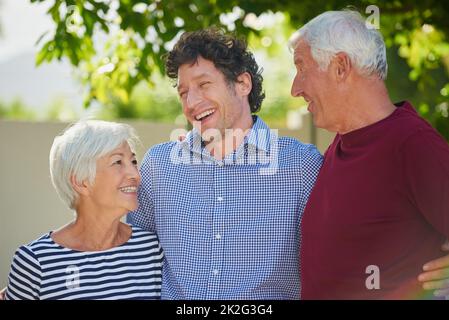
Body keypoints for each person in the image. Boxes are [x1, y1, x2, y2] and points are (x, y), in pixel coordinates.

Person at [127, 28, 323, 299]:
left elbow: (330, 265)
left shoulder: (302, 166)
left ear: (243, 83)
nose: (192, 102)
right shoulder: (159, 166)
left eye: (204, 85)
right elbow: (136, 259)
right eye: (183, 92)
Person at [289, 10, 449, 299]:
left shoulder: (413, 145)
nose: (295, 88)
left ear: (340, 67)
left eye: (302, 68)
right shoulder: (341, 144)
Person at [4, 120, 163, 300]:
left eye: (133, 161)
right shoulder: (35, 262)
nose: (135, 174)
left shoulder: (152, 249)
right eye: (118, 162)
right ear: (81, 182)